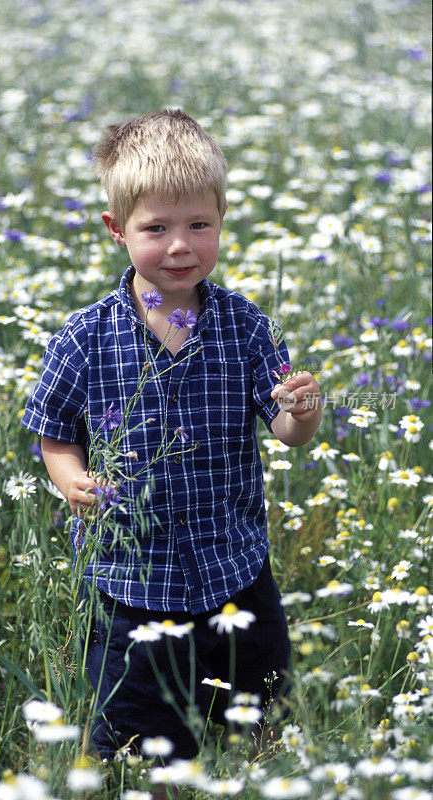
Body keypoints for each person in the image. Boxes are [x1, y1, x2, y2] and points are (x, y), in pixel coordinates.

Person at [21, 109, 322, 763]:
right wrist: (71, 479)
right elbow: (52, 430)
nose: (180, 246)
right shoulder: (86, 338)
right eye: (156, 228)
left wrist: (302, 413)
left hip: (235, 572)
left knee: (260, 709)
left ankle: (258, 769)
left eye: (198, 226)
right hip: (132, 580)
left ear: (220, 222)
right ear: (116, 230)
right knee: (140, 737)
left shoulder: (247, 328)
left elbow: (285, 430)